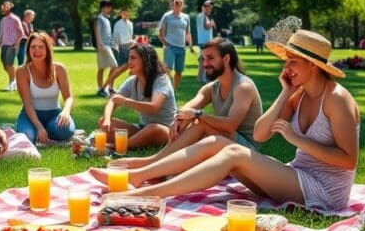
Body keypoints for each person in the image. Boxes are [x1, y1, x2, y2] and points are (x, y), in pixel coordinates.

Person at [91, 30, 359, 212]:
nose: (285, 68)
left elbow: (349, 160)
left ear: (313, 65)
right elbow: (262, 134)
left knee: (230, 150)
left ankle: (146, 195)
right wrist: (285, 93)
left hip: (325, 191)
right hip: (298, 175)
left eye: (292, 62)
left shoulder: (337, 99)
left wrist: (297, 139)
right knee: (217, 143)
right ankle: (138, 177)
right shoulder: (297, 94)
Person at [98, 38, 262, 176]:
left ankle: (152, 162)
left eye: (210, 58)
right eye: (203, 59)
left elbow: (230, 125)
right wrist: (180, 118)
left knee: (201, 122)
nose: (205, 64)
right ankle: (163, 167)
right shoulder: (211, 88)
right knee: (194, 121)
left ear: (226, 59)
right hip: (223, 143)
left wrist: (197, 114)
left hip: (247, 150)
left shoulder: (243, 87)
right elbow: (188, 107)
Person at [97, 43, 176, 149]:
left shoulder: (161, 79)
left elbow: (153, 107)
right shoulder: (132, 81)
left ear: (145, 60)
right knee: (102, 122)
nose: (129, 62)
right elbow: (112, 101)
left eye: (133, 58)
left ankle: (114, 146)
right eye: (129, 58)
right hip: (142, 128)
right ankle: (138, 140)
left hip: (166, 130)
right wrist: (107, 120)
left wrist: (126, 101)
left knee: (153, 129)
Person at [15, 32, 76, 144]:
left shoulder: (59, 69)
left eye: (41, 47)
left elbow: (69, 98)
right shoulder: (22, 71)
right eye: (33, 47)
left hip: (54, 113)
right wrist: (39, 127)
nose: (37, 50)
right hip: (31, 115)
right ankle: (40, 131)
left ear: (47, 50)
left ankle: (47, 131)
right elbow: (27, 104)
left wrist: (66, 112)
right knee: (28, 136)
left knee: (65, 131)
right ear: (28, 50)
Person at [158, 0, 193, 91]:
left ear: (182, 5)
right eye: (176, 3)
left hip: (181, 48)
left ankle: (174, 90)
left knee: (179, 71)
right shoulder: (167, 16)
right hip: (170, 47)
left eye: (179, 3)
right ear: (172, 4)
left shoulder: (186, 17)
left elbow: (188, 32)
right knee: (168, 69)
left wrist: (190, 45)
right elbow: (160, 32)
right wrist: (165, 43)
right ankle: (167, 89)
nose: (177, 4)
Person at [0, 0, 26, 91]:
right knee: (5, 65)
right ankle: (15, 80)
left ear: (9, 8)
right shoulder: (2, 20)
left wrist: (16, 44)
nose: (2, 9)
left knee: (9, 64)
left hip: (12, 44)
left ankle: (11, 82)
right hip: (4, 45)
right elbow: (1, 34)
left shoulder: (15, 19)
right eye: (2, 7)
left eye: (5, 7)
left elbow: (21, 33)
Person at [94, 0, 118, 97]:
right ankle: (104, 88)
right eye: (107, 7)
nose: (109, 9)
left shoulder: (107, 20)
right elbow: (97, 31)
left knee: (102, 68)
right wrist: (99, 44)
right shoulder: (99, 18)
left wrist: (113, 44)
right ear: (102, 8)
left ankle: (104, 88)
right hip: (103, 46)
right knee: (114, 65)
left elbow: (108, 34)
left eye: (110, 7)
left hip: (108, 45)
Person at [196, 0, 217, 83]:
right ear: (203, 8)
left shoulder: (204, 16)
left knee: (203, 60)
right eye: (208, 8)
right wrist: (212, 23)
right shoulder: (202, 16)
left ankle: (201, 78)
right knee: (205, 60)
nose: (209, 10)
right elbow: (206, 26)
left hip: (205, 41)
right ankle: (203, 78)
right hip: (204, 42)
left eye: (210, 9)